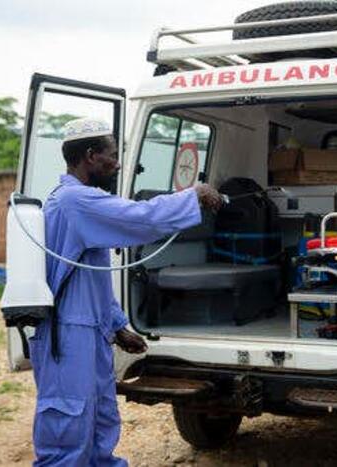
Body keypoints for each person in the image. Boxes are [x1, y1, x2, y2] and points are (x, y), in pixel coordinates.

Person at [29, 117, 223, 466]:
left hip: (90, 330)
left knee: (101, 420)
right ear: (90, 156)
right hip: (66, 333)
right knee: (67, 427)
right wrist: (192, 196)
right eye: (112, 155)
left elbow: (93, 278)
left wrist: (118, 326)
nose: (117, 163)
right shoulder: (74, 201)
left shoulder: (82, 202)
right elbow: (141, 218)